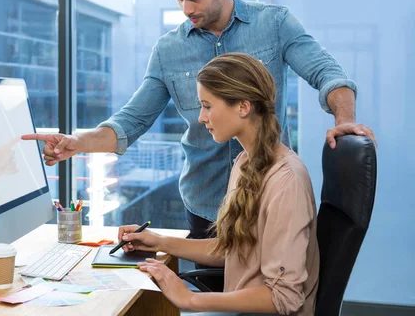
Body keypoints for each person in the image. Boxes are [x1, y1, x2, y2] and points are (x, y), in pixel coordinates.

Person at [22, 0, 376, 240]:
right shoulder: (168, 50)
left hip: (266, 196)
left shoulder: (275, 23)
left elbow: (327, 73)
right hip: (205, 205)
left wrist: (345, 120)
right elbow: (131, 121)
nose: (186, 9)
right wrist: (76, 143)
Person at [118, 53, 319, 315]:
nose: (201, 117)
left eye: (207, 105)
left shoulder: (285, 181)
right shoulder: (245, 162)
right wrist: (158, 241)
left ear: (243, 107)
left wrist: (190, 300)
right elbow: (233, 249)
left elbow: (285, 298)